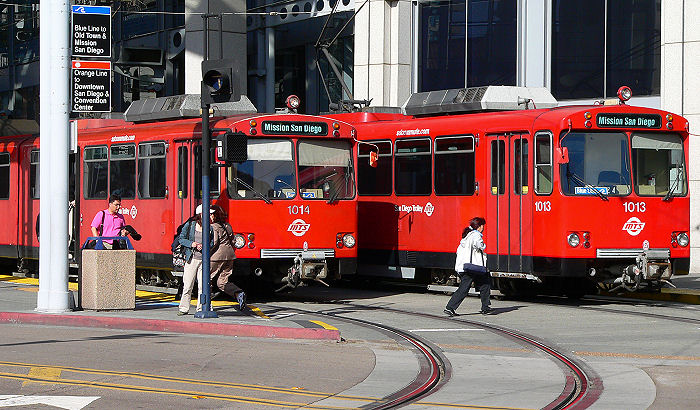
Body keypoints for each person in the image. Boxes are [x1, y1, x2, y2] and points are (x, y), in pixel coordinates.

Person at [444, 217, 492, 316]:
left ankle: (485, 307)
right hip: (474, 267)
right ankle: (450, 307)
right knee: (466, 288)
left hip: (467, 267)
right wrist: (483, 245)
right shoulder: (475, 236)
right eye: (483, 226)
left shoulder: (466, 236)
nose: (483, 228)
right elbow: (480, 245)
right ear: (479, 226)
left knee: (484, 284)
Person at [176, 204, 215, 315]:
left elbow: (212, 243)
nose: (212, 216)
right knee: (188, 284)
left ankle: (201, 308)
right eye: (209, 213)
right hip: (191, 259)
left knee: (203, 286)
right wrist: (192, 244)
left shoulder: (210, 228)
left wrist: (205, 245)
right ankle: (184, 308)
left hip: (204, 260)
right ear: (201, 214)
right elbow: (181, 239)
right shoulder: (190, 225)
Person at [210, 205, 246, 310]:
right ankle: (238, 293)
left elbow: (215, 242)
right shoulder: (227, 225)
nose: (210, 216)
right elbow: (233, 241)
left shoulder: (214, 227)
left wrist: (207, 253)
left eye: (212, 214)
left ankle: (207, 302)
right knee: (222, 282)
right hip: (230, 256)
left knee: (206, 278)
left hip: (216, 256)